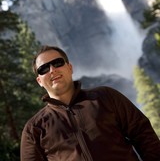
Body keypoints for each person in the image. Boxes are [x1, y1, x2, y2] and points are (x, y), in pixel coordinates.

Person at [20, 45, 160, 161]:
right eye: (44, 69)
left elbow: (143, 133)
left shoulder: (105, 96)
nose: (52, 70)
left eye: (57, 63)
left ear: (70, 68)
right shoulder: (34, 128)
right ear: (39, 81)